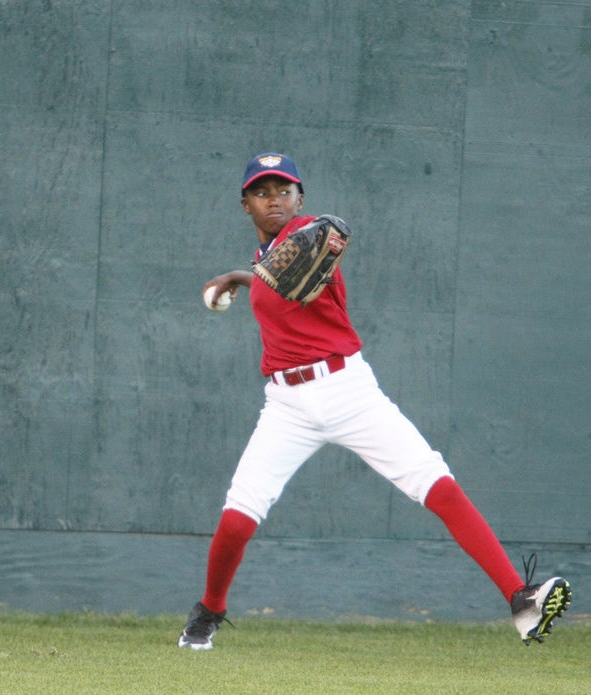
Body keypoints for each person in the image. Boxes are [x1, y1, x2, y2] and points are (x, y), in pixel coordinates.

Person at [178, 152, 570, 650]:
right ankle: (208, 612)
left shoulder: (307, 238)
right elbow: (273, 275)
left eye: (284, 189)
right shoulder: (269, 259)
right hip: (287, 405)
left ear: (301, 198)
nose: (273, 198)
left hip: (346, 390)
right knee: (238, 516)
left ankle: (521, 599)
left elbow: (300, 260)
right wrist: (239, 274)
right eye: (261, 191)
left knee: (437, 484)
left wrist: (251, 270)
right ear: (244, 205)